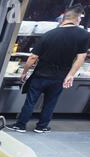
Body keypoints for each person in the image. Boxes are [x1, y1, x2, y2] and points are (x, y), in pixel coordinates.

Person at [7, 4, 90, 133]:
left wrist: (24, 72)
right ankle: (42, 126)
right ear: (77, 18)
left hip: (41, 74)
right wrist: (70, 75)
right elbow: (81, 57)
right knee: (50, 102)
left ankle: (21, 125)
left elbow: (33, 57)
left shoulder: (49, 34)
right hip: (59, 76)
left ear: (64, 18)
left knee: (31, 101)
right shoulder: (84, 35)